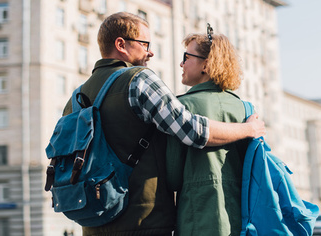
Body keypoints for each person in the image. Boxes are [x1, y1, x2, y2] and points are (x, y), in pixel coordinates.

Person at [65, 12, 265, 236]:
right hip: (144, 221)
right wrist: (249, 129)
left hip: (93, 221)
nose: (150, 52)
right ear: (121, 44)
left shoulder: (76, 97)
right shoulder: (139, 79)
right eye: (145, 44)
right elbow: (193, 131)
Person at [165, 26, 248, 236]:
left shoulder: (181, 107)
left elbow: (172, 176)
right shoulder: (245, 109)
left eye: (187, 57)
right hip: (242, 219)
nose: (181, 63)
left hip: (197, 217)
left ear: (207, 64)